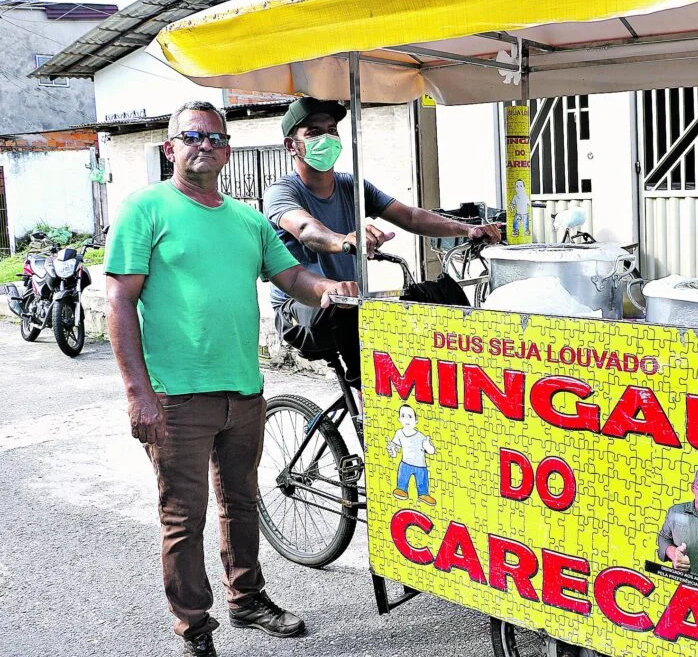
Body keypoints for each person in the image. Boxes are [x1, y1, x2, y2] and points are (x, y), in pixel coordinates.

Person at [105, 101, 361, 657]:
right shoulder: (145, 209)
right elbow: (119, 302)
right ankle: (195, 626)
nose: (205, 145)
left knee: (243, 502)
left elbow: (291, 273)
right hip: (175, 396)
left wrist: (326, 289)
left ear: (228, 149)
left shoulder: (247, 219)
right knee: (182, 517)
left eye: (216, 138)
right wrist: (138, 395)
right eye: (192, 135)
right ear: (170, 147)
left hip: (244, 389)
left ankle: (247, 599)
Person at [264, 97, 502, 386]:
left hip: (350, 300)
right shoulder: (282, 192)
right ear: (291, 146)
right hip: (299, 311)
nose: (326, 138)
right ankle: (370, 408)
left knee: (427, 298)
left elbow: (410, 216)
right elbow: (305, 228)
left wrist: (466, 230)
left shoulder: (352, 185)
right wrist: (345, 240)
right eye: (313, 133)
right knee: (350, 314)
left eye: (331, 130)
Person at [386, 404, 437, 505]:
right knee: (402, 477)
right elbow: (395, 446)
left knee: (422, 481)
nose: (406, 420)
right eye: (403, 416)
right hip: (405, 463)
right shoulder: (399, 433)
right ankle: (401, 489)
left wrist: (428, 446)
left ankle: (423, 494)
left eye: (410, 416)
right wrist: (393, 450)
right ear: (399, 419)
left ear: (416, 421)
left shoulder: (421, 436)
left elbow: (431, 451)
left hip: (420, 466)